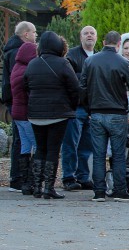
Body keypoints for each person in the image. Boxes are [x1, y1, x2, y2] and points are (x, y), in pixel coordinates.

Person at [82, 31, 129, 202]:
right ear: (118, 44)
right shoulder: (123, 62)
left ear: (103, 42)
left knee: (99, 154)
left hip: (97, 112)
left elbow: (82, 87)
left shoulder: (90, 61)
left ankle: (99, 191)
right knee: (118, 154)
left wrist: (88, 110)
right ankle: (120, 190)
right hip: (117, 113)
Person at [23, 32, 79, 199]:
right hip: (58, 114)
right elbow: (74, 88)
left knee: (40, 149)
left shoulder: (32, 64)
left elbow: (26, 86)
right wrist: (71, 106)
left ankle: (37, 187)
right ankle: (49, 188)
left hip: (35, 114)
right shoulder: (63, 63)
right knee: (53, 150)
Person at [61, 25, 97, 191]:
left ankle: (83, 177)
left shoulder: (98, 56)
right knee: (71, 144)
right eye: (86, 33)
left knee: (87, 146)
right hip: (75, 108)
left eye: (92, 33)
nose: (89, 36)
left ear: (96, 38)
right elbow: (69, 79)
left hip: (92, 109)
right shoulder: (71, 56)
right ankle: (69, 177)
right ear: (80, 37)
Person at [2, 21, 37, 192]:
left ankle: (20, 178)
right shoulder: (20, 54)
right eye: (34, 32)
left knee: (21, 141)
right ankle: (21, 179)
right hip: (19, 103)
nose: (36, 36)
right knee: (24, 141)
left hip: (13, 102)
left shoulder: (10, 51)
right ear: (26, 34)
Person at [9, 39, 38, 196]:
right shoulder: (27, 70)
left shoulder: (16, 67)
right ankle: (33, 181)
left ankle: (26, 181)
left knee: (25, 147)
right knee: (37, 145)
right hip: (26, 114)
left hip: (17, 113)